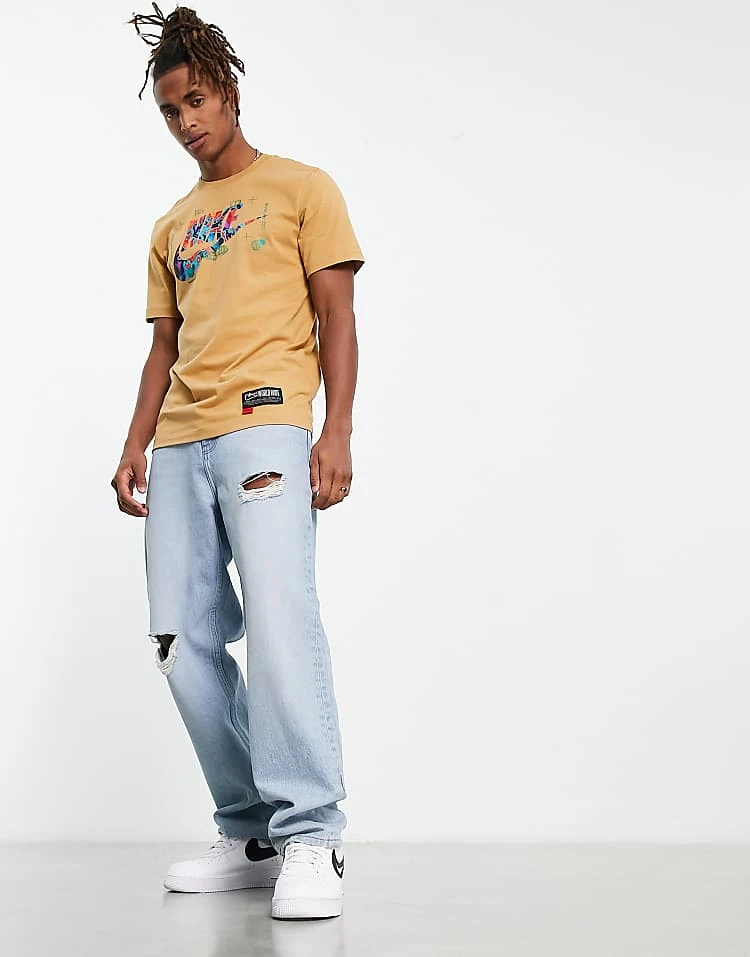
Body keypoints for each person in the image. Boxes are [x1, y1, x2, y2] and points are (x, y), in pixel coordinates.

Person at [110, 2, 365, 921]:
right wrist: (134, 442)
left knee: (282, 619)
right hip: (180, 439)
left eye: (196, 101)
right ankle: (252, 829)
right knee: (180, 640)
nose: (186, 122)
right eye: (170, 111)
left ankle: (313, 832)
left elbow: (337, 315)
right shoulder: (172, 225)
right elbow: (162, 347)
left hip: (267, 426)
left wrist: (336, 431)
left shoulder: (301, 187)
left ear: (228, 90)